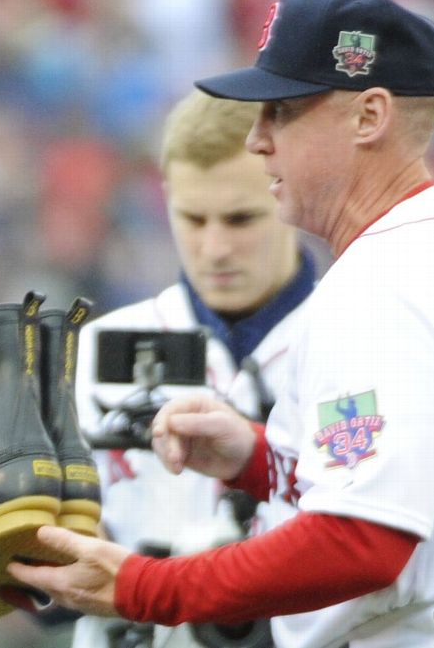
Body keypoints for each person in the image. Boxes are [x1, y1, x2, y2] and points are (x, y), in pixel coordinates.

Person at [9, 0, 434, 648]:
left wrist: (146, 587)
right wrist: (259, 462)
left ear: (369, 117)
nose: (257, 140)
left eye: (282, 112)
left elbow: (360, 541)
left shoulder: (384, 278)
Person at [71, 89, 314, 648]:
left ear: (291, 192)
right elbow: (45, 595)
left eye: (240, 218)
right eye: (192, 218)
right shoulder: (98, 346)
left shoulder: (362, 333)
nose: (214, 247)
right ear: (165, 198)